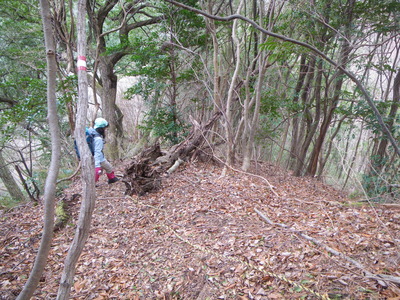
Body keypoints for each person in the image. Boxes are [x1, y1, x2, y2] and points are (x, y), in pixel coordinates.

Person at [91, 117, 119, 184]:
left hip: (97, 158)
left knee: (109, 168)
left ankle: (112, 179)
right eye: (104, 128)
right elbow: (97, 152)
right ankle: (92, 184)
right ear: (101, 128)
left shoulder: (92, 133)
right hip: (98, 159)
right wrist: (97, 165)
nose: (105, 130)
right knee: (100, 171)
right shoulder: (98, 139)